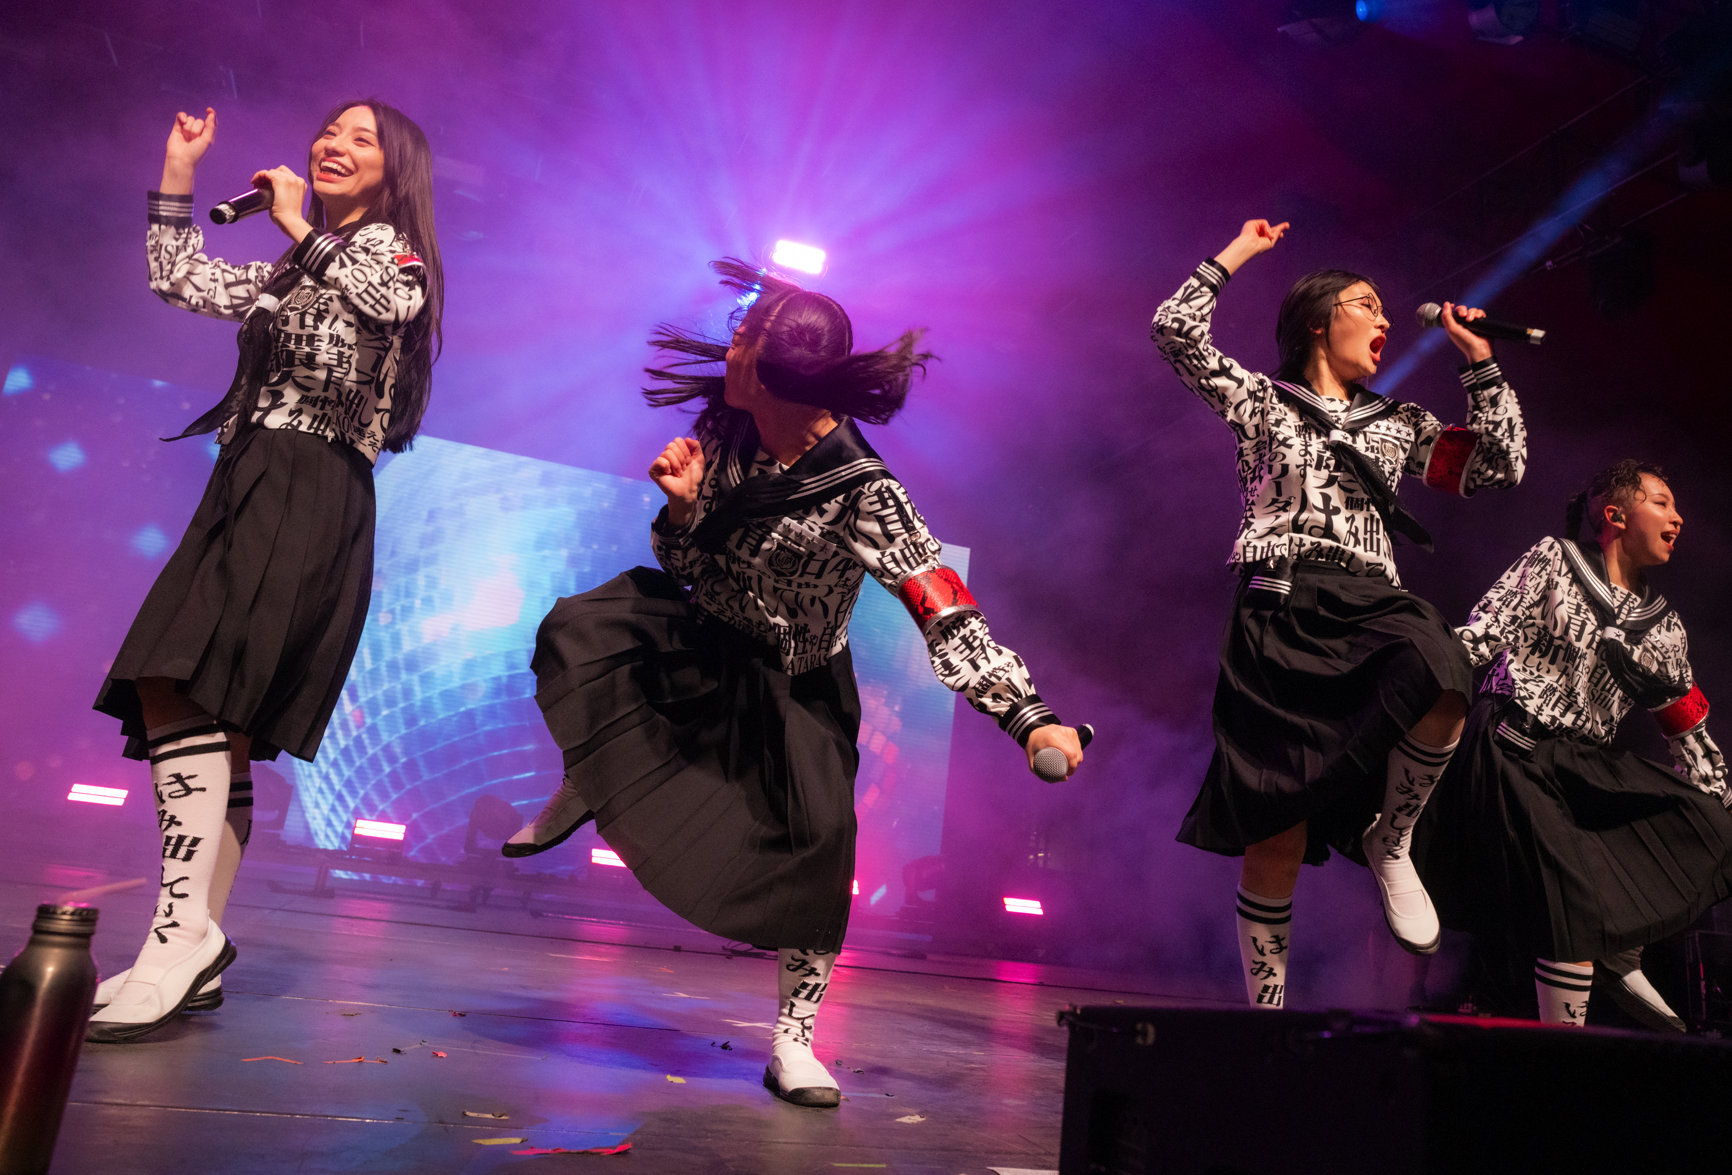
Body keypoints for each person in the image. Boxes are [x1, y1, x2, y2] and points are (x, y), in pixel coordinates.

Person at [504, 260, 1085, 1107]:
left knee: (821, 842)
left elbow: (944, 608)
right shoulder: (729, 432)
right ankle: (590, 778)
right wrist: (681, 509)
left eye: (743, 340)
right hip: (703, 640)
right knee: (583, 630)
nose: (726, 349)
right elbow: (689, 564)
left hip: (797, 679)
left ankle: (795, 1040)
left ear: (775, 374)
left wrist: (1029, 717)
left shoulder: (865, 493)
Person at [88, 101, 444, 1042]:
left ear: (396, 169)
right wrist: (179, 169)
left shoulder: (395, 254)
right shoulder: (293, 268)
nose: (333, 145)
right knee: (211, 711)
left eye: (361, 138)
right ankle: (189, 939)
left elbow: (390, 306)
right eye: (329, 131)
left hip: (310, 480)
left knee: (179, 679)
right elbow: (178, 277)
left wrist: (294, 222)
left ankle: (177, 939)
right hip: (250, 477)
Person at [1155, 218, 1526, 1010]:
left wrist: (1479, 361)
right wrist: (1241, 250)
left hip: (1369, 598)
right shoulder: (1262, 400)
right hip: (1277, 602)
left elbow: (1498, 468)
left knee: (1443, 668)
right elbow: (1174, 332)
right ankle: (1266, 1016)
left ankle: (1392, 837)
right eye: (1367, 305)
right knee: (1275, 825)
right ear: (1321, 321)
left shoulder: (1399, 423)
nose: (1386, 320)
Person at [1417, 461, 1732, 1029]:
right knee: (1570, 909)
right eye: (1661, 502)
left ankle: (1617, 952)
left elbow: (1685, 722)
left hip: (1580, 762)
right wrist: (1419, 664)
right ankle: (1578, 1028)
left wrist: (1723, 798)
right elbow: (1485, 632)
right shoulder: (1554, 560)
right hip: (1512, 743)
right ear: (1615, 515)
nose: (1678, 517)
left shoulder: (1664, 628)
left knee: (1706, 823)